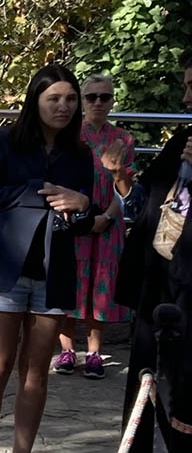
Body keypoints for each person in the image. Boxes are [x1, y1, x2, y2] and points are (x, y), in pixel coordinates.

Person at [0, 64, 97, 453]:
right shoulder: (5, 141)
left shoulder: (81, 154)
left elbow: (84, 223)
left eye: (71, 99)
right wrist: (39, 191)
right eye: (54, 98)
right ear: (35, 101)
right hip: (2, 270)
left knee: (36, 373)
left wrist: (82, 204)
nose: (64, 106)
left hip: (54, 274)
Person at [113, 50, 192, 452]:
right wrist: (120, 178)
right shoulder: (182, 140)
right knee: (148, 381)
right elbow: (141, 203)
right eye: (186, 86)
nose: (186, 97)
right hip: (159, 283)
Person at [53, 74, 134, 379]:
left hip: (108, 221)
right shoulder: (69, 136)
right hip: (73, 219)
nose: (98, 102)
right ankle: (66, 350)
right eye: (91, 97)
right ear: (82, 101)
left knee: (100, 286)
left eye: (105, 97)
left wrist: (107, 218)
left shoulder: (123, 139)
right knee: (71, 281)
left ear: (112, 101)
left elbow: (126, 186)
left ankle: (94, 353)